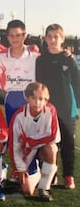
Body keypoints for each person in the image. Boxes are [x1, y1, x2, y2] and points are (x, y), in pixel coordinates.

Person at [36, 24, 80, 190]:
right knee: (47, 143)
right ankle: (49, 173)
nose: (53, 40)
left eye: (56, 37)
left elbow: (76, 82)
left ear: (62, 39)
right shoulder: (41, 60)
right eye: (50, 36)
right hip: (46, 109)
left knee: (68, 145)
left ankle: (68, 176)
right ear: (46, 38)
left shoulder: (68, 58)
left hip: (67, 109)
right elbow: (39, 84)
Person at [8, 82, 60, 201]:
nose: (37, 103)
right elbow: (14, 146)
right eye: (34, 98)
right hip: (26, 152)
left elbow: (54, 136)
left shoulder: (51, 110)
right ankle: (36, 172)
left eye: (41, 99)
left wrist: (32, 142)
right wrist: (20, 169)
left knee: (51, 148)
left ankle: (44, 188)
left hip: (40, 148)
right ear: (27, 98)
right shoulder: (19, 116)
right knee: (27, 191)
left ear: (46, 99)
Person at [0, 20, 39, 125]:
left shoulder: (35, 56)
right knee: (12, 131)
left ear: (24, 36)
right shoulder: (0, 57)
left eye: (18, 35)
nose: (15, 39)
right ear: (7, 37)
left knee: (31, 132)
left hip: (31, 97)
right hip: (12, 98)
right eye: (12, 36)